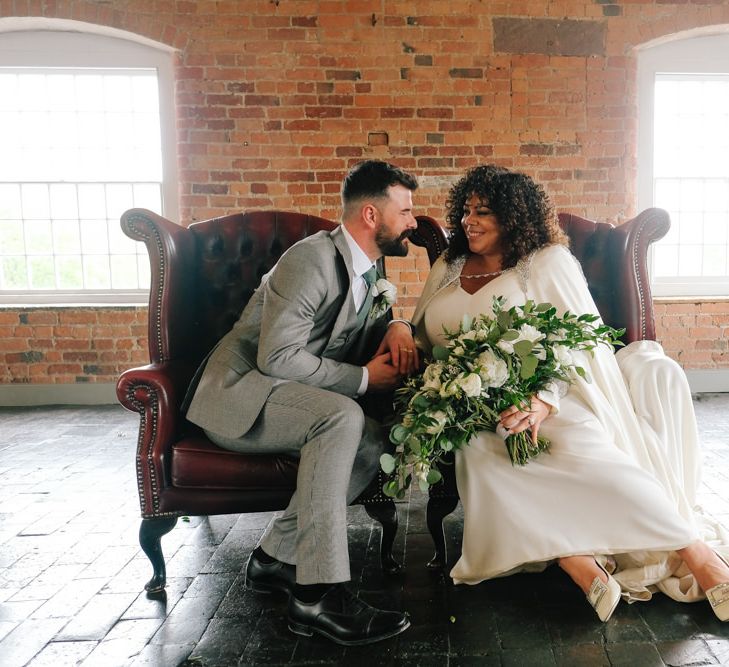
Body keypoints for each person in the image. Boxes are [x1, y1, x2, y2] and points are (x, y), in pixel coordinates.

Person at [410, 164, 729, 622]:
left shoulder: (546, 263)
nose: (469, 221)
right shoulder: (447, 265)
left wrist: (544, 400)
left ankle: (697, 554)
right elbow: (422, 329)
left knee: (583, 448)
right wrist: (403, 329)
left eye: (483, 212)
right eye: (465, 211)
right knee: (483, 453)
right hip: (471, 406)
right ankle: (577, 562)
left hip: (548, 394)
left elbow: (581, 343)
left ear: (514, 216)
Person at [185, 160, 421, 645]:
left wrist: (398, 325)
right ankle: (316, 596)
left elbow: (370, 315)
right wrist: (360, 378)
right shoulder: (309, 259)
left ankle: (272, 560)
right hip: (240, 397)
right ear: (372, 216)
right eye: (407, 211)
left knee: (374, 442)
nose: (414, 222)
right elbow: (276, 358)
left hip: (289, 396)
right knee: (341, 417)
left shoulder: (368, 263)